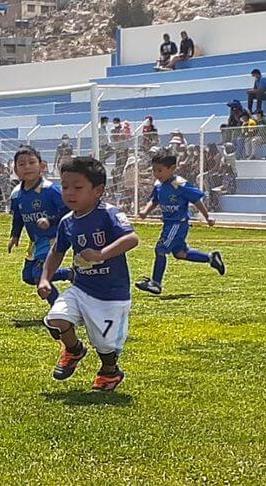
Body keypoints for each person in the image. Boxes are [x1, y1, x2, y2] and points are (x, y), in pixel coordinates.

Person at [37, 156, 139, 392]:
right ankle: (73, 350)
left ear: (98, 190)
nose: (69, 192)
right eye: (65, 186)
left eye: (78, 187)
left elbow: (131, 238)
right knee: (55, 319)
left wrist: (101, 253)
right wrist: (45, 278)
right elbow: (56, 252)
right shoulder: (66, 222)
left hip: (112, 294)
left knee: (105, 344)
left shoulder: (109, 213)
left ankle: (110, 373)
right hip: (81, 288)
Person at [135, 152, 226, 296]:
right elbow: (155, 200)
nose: (156, 174)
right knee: (180, 253)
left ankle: (156, 283)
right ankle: (210, 258)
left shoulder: (179, 184)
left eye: (159, 170)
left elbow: (196, 200)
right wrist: (145, 211)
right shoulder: (159, 185)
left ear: (172, 169)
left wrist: (207, 217)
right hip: (169, 224)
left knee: (160, 249)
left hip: (177, 224)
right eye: (154, 170)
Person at [8, 146, 72, 306]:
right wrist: (14, 235)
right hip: (36, 241)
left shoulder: (50, 190)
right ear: (15, 170)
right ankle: (71, 273)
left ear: (41, 166)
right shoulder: (17, 194)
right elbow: (18, 216)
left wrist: (50, 220)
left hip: (52, 238)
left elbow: (67, 209)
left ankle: (59, 308)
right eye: (21, 164)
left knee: (39, 274)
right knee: (28, 276)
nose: (27, 167)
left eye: (31, 162)